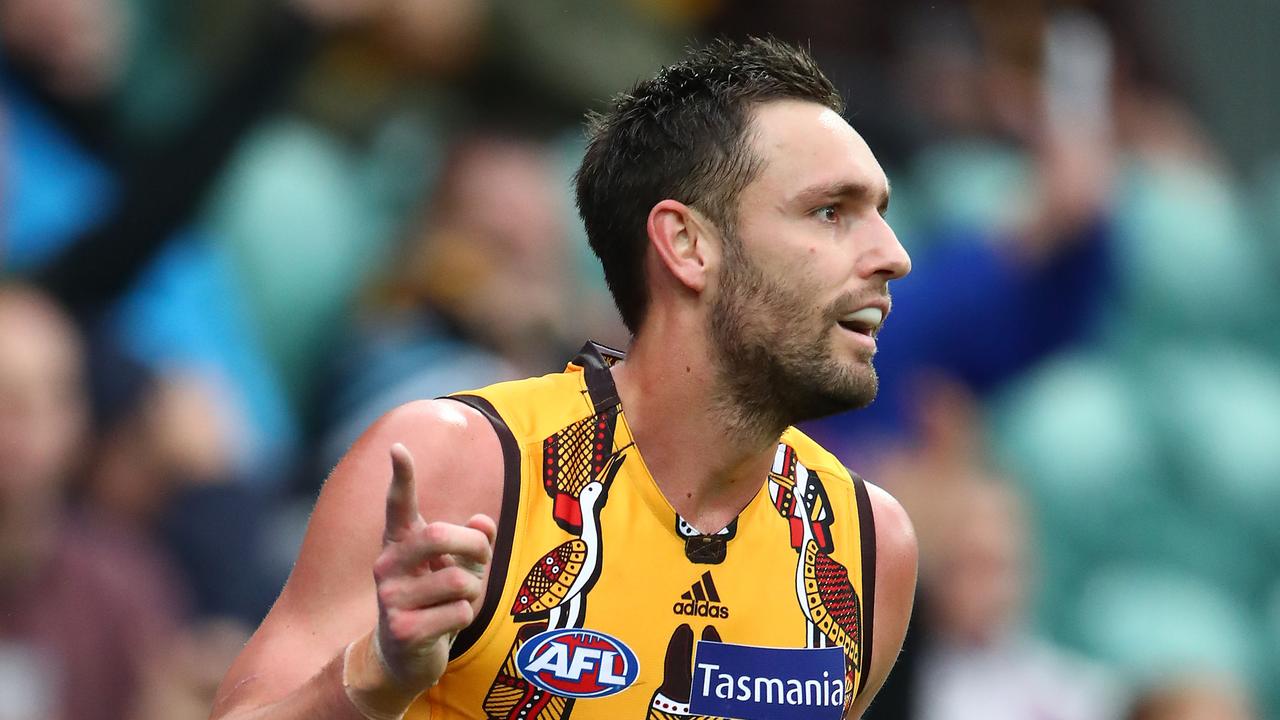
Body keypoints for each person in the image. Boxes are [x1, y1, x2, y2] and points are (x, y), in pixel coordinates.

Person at [211, 37, 917, 720]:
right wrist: (370, 681)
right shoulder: (461, 467)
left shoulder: (868, 545)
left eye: (880, 215)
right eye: (831, 212)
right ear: (686, 244)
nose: (893, 256)